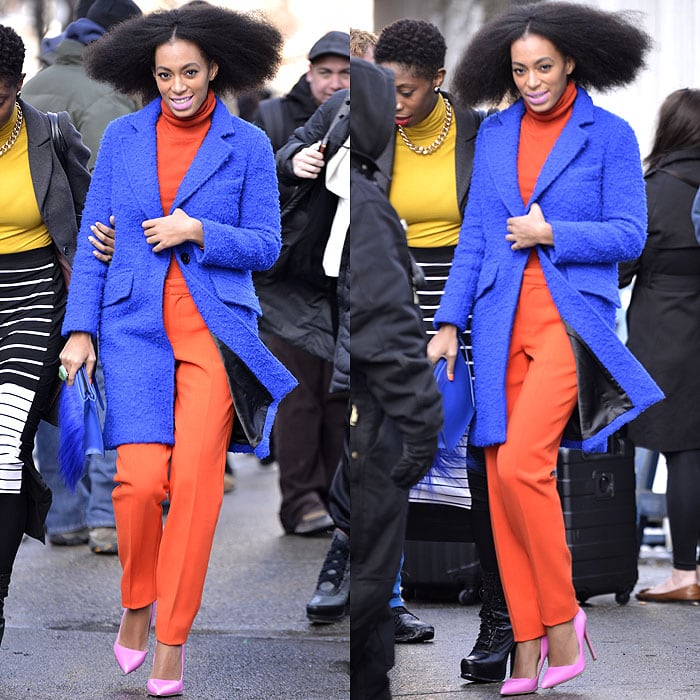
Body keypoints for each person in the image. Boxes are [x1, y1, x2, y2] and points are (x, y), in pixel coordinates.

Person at [57, 6, 296, 695]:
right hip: (133, 329)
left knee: (194, 490)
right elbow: (97, 240)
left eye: (189, 72)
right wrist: (81, 330)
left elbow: (267, 246)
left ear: (214, 69)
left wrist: (200, 229)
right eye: (164, 74)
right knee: (136, 486)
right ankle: (137, 600)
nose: (177, 86)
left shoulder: (247, 144)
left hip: (214, 333)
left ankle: (172, 639)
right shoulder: (125, 139)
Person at [428, 2, 662, 694]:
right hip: (498, 324)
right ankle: (525, 647)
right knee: (499, 482)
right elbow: (474, 235)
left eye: (544, 67)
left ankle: (562, 623)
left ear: (572, 65)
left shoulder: (609, 134)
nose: (531, 80)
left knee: (525, 466)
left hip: (569, 320)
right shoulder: (496, 133)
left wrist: (551, 230)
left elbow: (630, 234)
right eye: (519, 69)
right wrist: (447, 321)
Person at [373, 18, 510, 665]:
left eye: (406, 91)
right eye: (384, 88)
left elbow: (497, 226)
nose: (394, 103)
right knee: (384, 456)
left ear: (438, 81)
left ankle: (499, 614)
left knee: (481, 464)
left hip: (471, 301)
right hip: (393, 300)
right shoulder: (366, 128)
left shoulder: (482, 134)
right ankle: (385, 600)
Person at [22, 0, 143, 556]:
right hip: (85, 261)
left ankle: (64, 515)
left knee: (50, 383)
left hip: (30, 266)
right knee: (105, 383)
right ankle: (104, 517)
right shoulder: (106, 94)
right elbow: (111, 191)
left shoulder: (39, 80)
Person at [349, 55, 443, 700]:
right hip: (374, 419)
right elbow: (385, 324)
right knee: (372, 574)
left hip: (349, 410)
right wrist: (423, 425)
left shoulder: (335, 188)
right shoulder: (369, 205)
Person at [0, 24, 91, 646]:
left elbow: (91, 222)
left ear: (17, 86)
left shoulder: (49, 132)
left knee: (5, 451)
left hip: (32, 299)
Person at [253, 31, 350, 536]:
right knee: (297, 393)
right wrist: (290, 164)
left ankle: (337, 502)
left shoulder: (367, 117)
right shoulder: (273, 119)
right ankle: (301, 501)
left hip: (341, 280)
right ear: (309, 73)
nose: (333, 83)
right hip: (285, 277)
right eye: (325, 72)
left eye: (345, 74)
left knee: (341, 396)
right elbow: (248, 178)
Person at [619, 88, 700, 604]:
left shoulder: (650, 190)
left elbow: (623, 266)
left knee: (680, 451)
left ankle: (683, 572)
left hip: (664, 332)